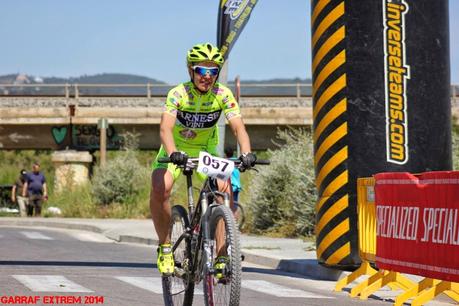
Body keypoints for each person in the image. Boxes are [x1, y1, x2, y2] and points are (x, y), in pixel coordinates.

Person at [150, 42, 256, 277]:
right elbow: (165, 129)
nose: (207, 76)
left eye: (213, 71)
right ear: (191, 70)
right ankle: (165, 247)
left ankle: (221, 256)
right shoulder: (178, 94)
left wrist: (247, 153)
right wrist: (173, 153)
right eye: (201, 70)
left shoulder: (223, 94)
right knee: (161, 186)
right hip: (175, 150)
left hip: (205, 152)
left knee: (223, 188)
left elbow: (238, 128)